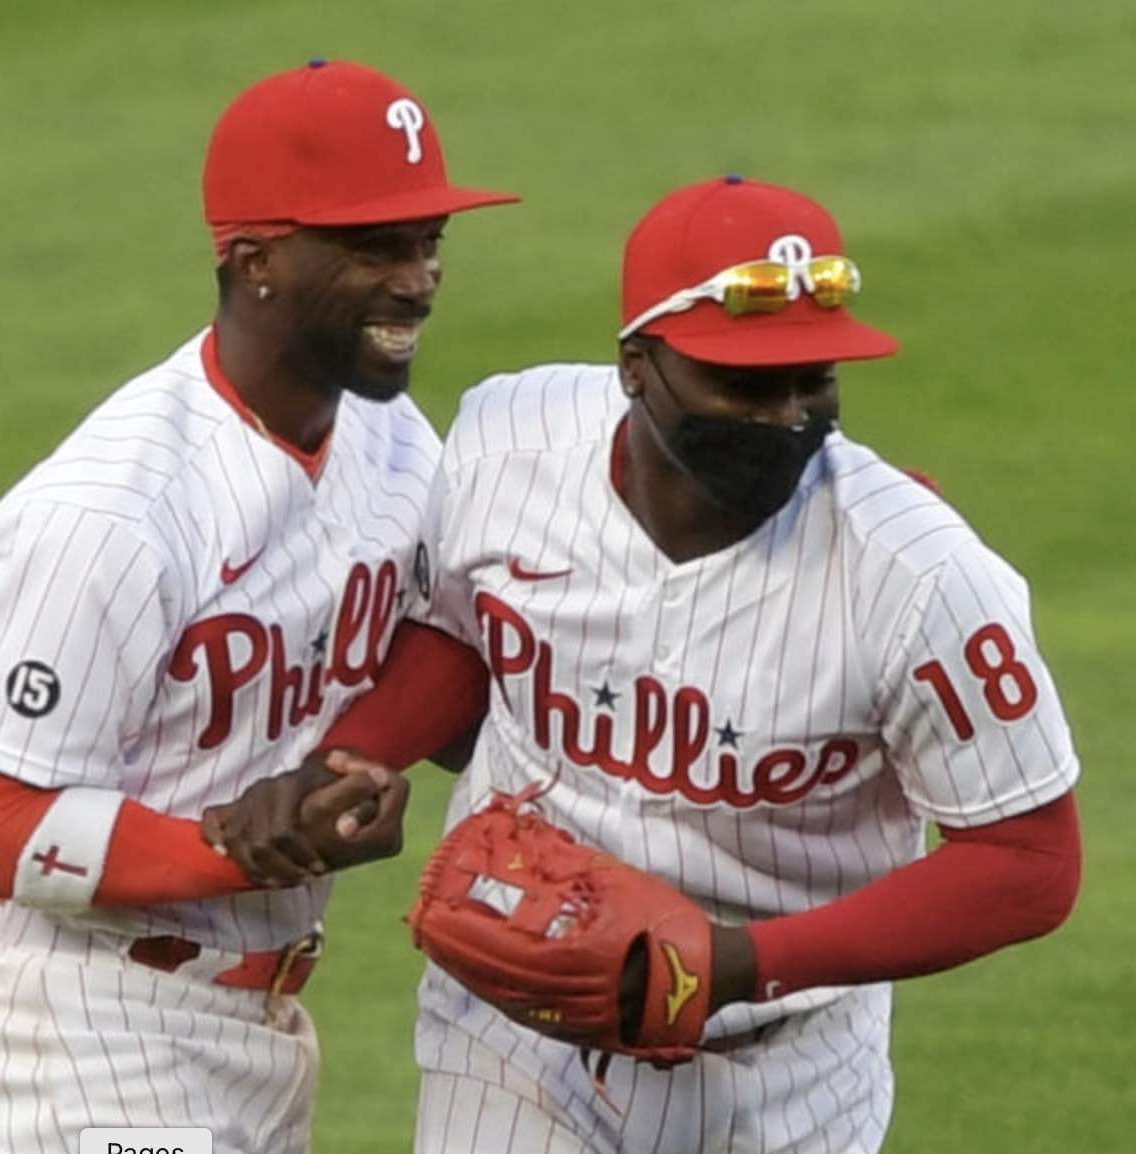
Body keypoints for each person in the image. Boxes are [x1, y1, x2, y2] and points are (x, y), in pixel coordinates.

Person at [323, 175, 1082, 1152]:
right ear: (639, 365)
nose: (787, 416)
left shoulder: (920, 575)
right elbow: (467, 632)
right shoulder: (510, 439)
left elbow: (1029, 861)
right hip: (514, 1041)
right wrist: (363, 751)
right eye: (748, 384)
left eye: (815, 381)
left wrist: (736, 961)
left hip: (787, 1068)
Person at [0, 60, 515, 1154]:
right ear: (256, 260)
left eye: (429, 242)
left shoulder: (389, 438)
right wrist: (243, 847)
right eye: (375, 247)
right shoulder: (112, 513)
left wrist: (361, 761)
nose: (419, 280)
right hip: (71, 1026)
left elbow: (453, 633)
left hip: (255, 1030)